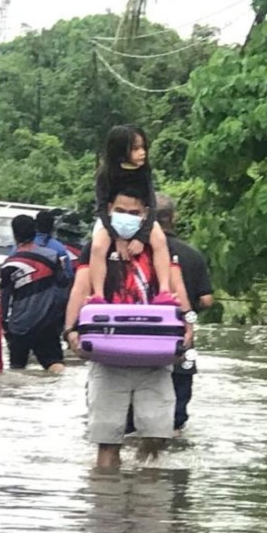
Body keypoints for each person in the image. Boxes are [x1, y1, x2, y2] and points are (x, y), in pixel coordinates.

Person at [63, 190, 195, 470]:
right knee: (107, 440)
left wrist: (189, 326)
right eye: (120, 211)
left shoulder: (159, 247)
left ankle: (147, 506)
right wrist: (70, 331)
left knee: (156, 437)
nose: (127, 218)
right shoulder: (98, 246)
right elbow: (80, 288)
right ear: (109, 209)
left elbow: (177, 287)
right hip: (108, 355)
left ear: (146, 214)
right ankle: (107, 505)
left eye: (134, 213)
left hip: (155, 358)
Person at [127, 194, 214, 435]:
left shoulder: (133, 250)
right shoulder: (193, 255)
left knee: (131, 418)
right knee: (176, 418)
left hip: (136, 339)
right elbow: (207, 299)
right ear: (174, 218)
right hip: (179, 338)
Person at [88, 125, 176, 307]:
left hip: (140, 219)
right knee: (97, 247)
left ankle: (164, 290)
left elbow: (151, 205)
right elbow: (102, 208)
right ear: (121, 151)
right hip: (113, 220)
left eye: (143, 147)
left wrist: (142, 237)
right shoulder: (106, 174)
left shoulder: (144, 172)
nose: (142, 153)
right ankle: (97, 293)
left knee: (160, 241)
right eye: (136, 149)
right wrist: (117, 238)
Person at [0, 215, 69, 373]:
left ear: (15, 234)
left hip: (19, 325)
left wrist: (4, 324)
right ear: (34, 231)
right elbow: (63, 284)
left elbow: (4, 299)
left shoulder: (9, 264)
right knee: (55, 364)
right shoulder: (52, 256)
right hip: (47, 322)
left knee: (17, 369)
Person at [34, 209, 74, 282]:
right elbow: (68, 274)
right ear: (53, 227)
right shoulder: (59, 248)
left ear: (35, 225)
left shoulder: (23, 246)